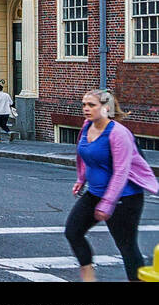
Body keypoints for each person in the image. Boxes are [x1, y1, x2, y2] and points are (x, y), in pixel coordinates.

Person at [65, 89, 158, 281]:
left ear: (106, 108)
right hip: (95, 193)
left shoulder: (118, 133)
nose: (86, 109)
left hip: (124, 198)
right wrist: (81, 179)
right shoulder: (87, 125)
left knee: (126, 246)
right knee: (73, 231)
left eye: (91, 105)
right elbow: (83, 154)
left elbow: (121, 171)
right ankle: (89, 278)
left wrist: (108, 203)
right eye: (84, 105)